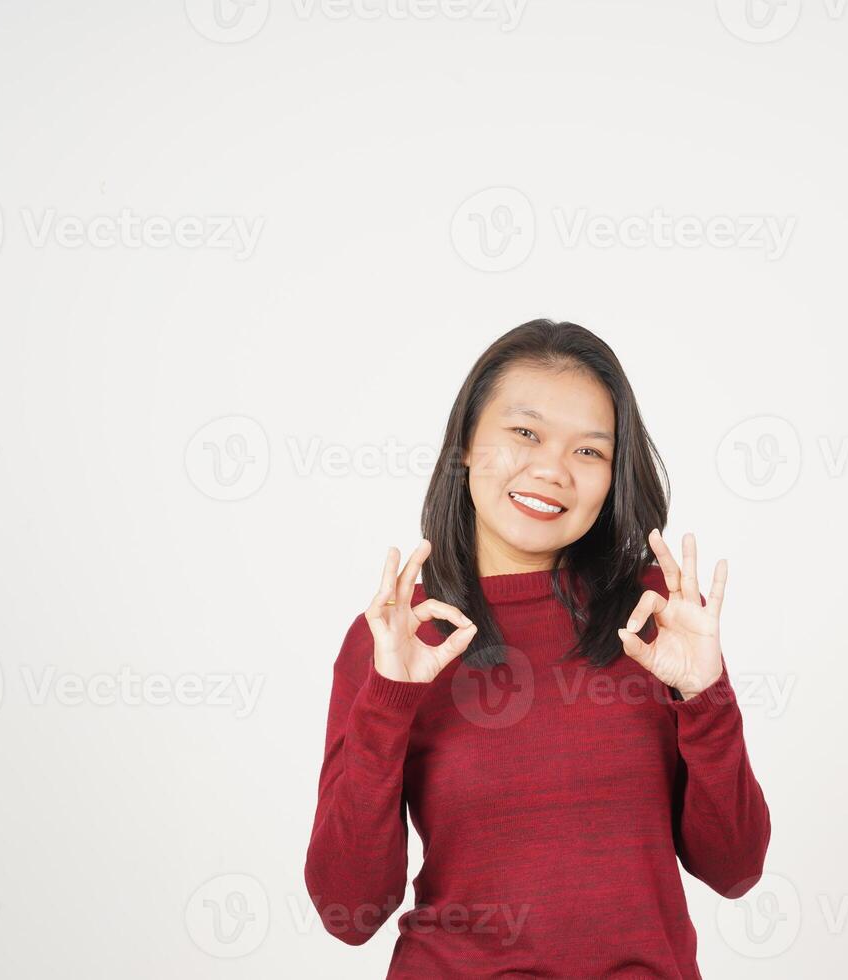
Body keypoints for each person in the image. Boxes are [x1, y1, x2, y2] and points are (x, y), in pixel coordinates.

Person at [303, 318, 771, 978]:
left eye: (589, 452)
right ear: (466, 442)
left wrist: (706, 699)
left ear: (614, 476)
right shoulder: (400, 636)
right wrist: (388, 704)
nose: (551, 469)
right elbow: (346, 908)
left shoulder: (655, 616)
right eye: (525, 433)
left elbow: (735, 870)